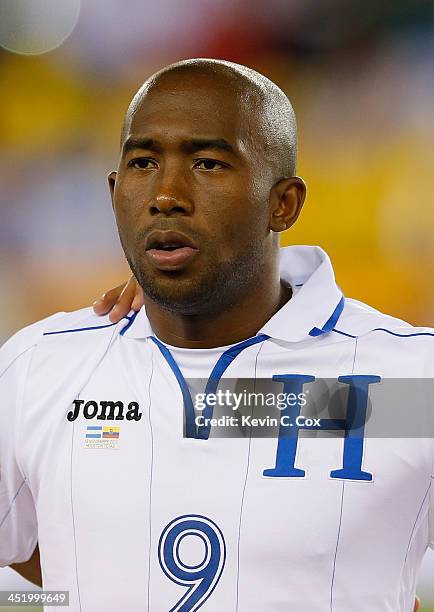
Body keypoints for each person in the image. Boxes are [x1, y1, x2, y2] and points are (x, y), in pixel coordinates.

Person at [0, 58, 431, 611]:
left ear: (284, 203)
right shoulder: (43, 366)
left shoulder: (404, 382)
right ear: (113, 191)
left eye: (207, 163)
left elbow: (266, 414)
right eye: (143, 163)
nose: (167, 194)